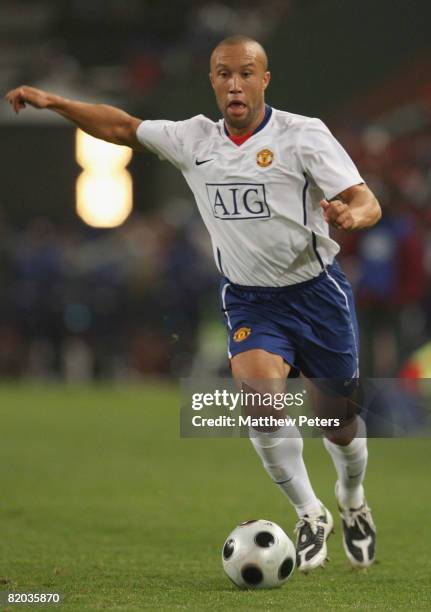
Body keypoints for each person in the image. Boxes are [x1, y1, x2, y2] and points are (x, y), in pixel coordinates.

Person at [5, 35, 381, 573]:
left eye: (246, 73)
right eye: (224, 73)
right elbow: (120, 126)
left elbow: (365, 199)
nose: (235, 83)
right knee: (259, 397)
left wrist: (352, 216)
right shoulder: (192, 139)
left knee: (339, 425)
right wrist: (58, 104)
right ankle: (308, 511)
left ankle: (353, 499)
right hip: (251, 300)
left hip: (317, 293)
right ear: (212, 80)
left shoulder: (303, 135)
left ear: (264, 79)